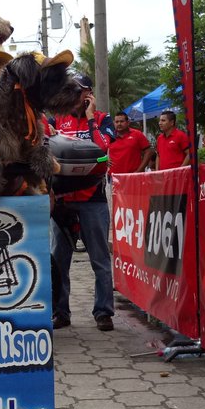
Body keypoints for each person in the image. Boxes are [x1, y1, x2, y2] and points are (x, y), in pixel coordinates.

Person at [48, 72, 116, 332]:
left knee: (99, 259)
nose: (74, 96)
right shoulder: (57, 119)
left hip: (92, 199)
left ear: (89, 95)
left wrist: (90, 120)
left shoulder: (102, 119)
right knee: (59, 261)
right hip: (62, 201)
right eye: (71, 90)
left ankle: (103, 313)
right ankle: (60, 313)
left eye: (79, 91)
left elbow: (101, 149)